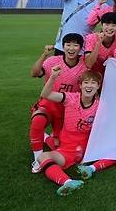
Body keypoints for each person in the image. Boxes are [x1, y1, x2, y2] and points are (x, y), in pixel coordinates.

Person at [35, 67, 103, 196]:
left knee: (44, 156)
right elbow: (45, 94)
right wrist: (53, 76)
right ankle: (68, 182)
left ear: (98, 86)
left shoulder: (101, 105)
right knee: (44, 154)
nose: (89, 86)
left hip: (84, 149)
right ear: (80, 85)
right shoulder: (70, 98)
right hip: (65, 145)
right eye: (86, 82)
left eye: (93, 83)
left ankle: (87, 170)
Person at [29, 34, 86, 173]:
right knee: (38, 120)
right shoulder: (52, 61)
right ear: (63, 46)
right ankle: (37, 159)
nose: (71, 48)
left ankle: (46, 137)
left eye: (75, 45)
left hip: (69, 109)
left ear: (80, 48)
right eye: (68, 44)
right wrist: (44, 55)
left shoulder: (85, 64)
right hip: (50, 103)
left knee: (59, 146)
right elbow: (34, 73)